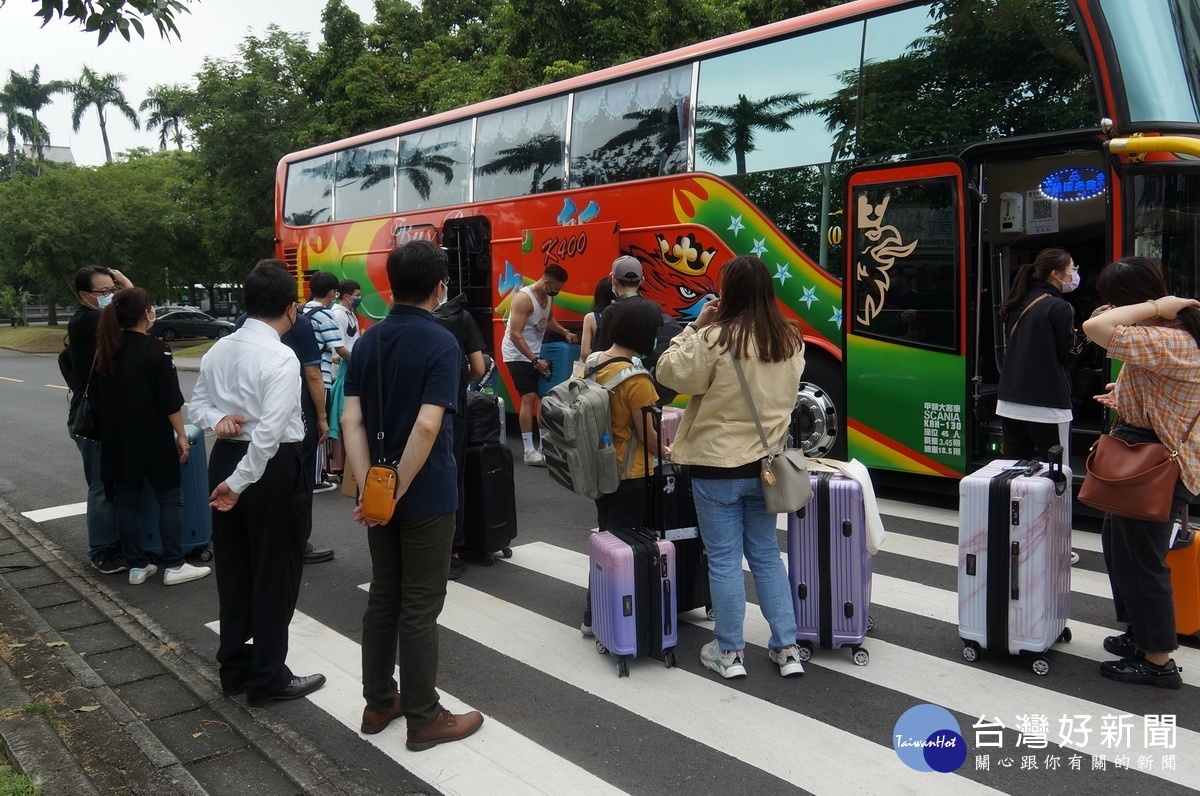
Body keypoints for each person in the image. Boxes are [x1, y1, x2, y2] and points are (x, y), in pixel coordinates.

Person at [341, 240, 484, 749]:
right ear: (439, 286)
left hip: (379, 492)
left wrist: (373, 491)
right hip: (426, 495)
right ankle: (425, 718)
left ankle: (380, 701)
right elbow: (427, 426)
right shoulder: (442, 343)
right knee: (420, 606)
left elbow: (349, 419)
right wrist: (399, 487)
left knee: (384, 596)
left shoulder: (367, 340)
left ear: (390, 284)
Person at [656, 255, 806, 680]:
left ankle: (730, 652)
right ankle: (787, 648)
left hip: (716, 467)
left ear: (728, 293)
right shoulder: (790, 340)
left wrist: (694, 326)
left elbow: (669, 373)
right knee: (766, 557)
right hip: (767, 468)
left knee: (723, 561)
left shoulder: (715, 338)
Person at [189, 264, 326, 706]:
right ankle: (268, 676)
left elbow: (197, 406)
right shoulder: (281, 356)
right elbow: (268, 433)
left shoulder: (219, 349)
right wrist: (238, 482)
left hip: (227, 458)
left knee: (234, 567)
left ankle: (235, 668)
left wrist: (218, 421)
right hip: (265, 469)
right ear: (290, 309)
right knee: (275, 571)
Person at [1081, 256, 1200, 690]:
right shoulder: (1166, 336)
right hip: (1141, 451)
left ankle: (1157, 660)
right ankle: (1139, 635)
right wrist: (1123, 393)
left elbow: (1094, 329)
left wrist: (1155, 305)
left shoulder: (1171, 338)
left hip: (1158, 463)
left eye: (1113, 300)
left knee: (1142, 560)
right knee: (1119, 547)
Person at [93, 288, 211, 587]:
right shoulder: (157, 350)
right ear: (147, 314)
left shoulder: (106, 351)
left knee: (127, 502)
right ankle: (174, 563)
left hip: (117, 439)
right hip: (153, 437)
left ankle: (136, 565)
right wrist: (182, 435)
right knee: (170, 497)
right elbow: (170, 402)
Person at [235, 263, 336, 566]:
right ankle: (298, 543)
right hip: (296, 410)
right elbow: (313, 374)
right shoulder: (299, 323)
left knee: (254, 473)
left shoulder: (242, 322)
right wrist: (321, 416)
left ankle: (260, 539)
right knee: (299, 482)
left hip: (249, 410)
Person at [580, 299, 664, 636]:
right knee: (618, 547)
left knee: (605, 536)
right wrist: (670, 449)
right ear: (645, 335)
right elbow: (648, 437)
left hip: (599, 469)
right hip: (630, 474)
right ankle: (595, 614)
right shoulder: (636, 380)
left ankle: (598, 610)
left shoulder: (593, 362)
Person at [67, 265, 131, 574]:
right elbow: (137, 311)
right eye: (103, 293)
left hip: (109, 416)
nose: (110, 297)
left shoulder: (100, 317)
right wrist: (126, 287)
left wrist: (121, 288)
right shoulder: (87, 320)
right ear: (84, 296)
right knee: (101, 487)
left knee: (114, 484)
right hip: (92, 420)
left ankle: (117, 543)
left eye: (113, 291)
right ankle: (102, 550)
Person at [997, 248, 1078, 461]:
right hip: (1047, 404)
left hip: (1009, 401)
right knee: (1057, 472)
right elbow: (1071, 355)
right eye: (1071, 269)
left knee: (1014, 468)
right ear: (1056, 274)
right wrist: (1090, 332)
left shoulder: (1017, 302)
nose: (1074, 274)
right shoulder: (1060, 307)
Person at [432, 292, 487, 581]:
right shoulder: (460, 318)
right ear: (440, 285)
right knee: (453, 480)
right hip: (451, 411)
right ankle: (452, 552)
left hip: (412, 413)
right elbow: (479, 368)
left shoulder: (395, 323)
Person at [500, 263, 578, 466]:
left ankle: (544, 446)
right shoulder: (524, 298)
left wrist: (565, 332)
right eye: (556, 289)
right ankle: (528, 451)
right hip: (516, 354)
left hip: (536, 352)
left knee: (544, 397)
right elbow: (515, 335)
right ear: (545, 282)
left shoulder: (548, 296)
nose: (557, 293)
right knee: (529, 397)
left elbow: (548, 320)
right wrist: (534, 361)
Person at [302, 270, 351, 491]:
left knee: (305, 424)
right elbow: (340, 348)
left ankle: (308, 473)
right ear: (332, 292)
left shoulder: (301, 311)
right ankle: (316, 478)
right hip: (320, 378)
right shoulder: (326, 315)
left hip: (299, 378)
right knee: (320, 427)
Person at [579, 276, 615, 361]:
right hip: (619, 365)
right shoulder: (623, 314)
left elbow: (585, 353)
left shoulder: (590, 318)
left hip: (598, 365)